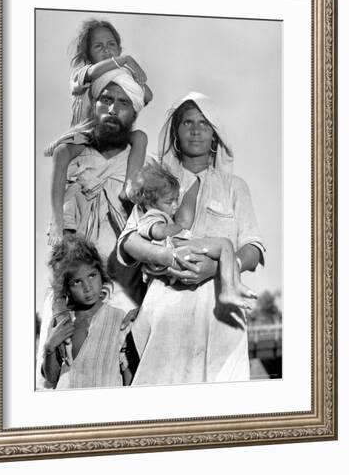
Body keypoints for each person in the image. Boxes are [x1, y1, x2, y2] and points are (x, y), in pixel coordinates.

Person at [118, 92, 265, 385]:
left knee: (222, 410)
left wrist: (220, 267)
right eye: (187, 123)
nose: (196, 130)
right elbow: (129, 241)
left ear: (215, 135)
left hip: (220, 316)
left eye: (204, 123)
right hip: (165, 314)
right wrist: (167, 257)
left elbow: (253, 247)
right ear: (175, 132)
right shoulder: (156, 182)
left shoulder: (235, 187)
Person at [36, 69, 147, 389]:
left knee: (128, 370)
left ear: (134, 113)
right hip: (72, 277)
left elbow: (134, 201)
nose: (113, 108)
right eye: (106, 100)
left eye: (123, 103)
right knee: (58, 364)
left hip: (121, 278)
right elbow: (60, 234)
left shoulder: (138, 153)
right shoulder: (72, 154)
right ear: (93, 105)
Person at [45, 20, 153, 245]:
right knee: (62, 153)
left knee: (140, 137)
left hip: (112, 130)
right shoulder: (84, 73)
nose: (106, 50)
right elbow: (91, 74)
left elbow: (147, 96)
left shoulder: (122, 76)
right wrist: (123, 61)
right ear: (88, 54)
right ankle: (57, 218)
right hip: (85, 133)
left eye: (111, 44)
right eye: (98, 46)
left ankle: (129, 187)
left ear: (119, 47)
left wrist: (133, 75)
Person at [126, 160, 257, 309]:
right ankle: (229, 289)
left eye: (176, 200)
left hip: (177, 251)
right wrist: (179, 227)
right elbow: (157, 231)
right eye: (170, 202)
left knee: (225, 250)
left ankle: (232, 287)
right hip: (177, 247)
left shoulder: (157, 213)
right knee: (225, 245)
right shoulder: (151, 215)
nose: (175, 206)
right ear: (150, 202)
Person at [42, 235, 133, 389]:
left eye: (92, 276)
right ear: (67, 288)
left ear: (101, 274)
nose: (88, 287)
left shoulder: (119, 319)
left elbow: (128, 374)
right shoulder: (62, 322)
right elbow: (52, 377)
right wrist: (49, 348)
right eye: (77, 282)